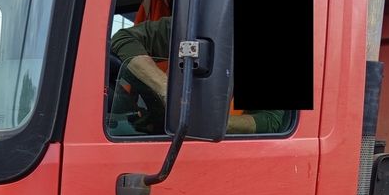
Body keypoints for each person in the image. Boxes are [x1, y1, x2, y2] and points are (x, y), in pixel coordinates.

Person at [110, 16, 284, 135]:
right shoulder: (193, 25)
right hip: (149, 133)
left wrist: (207, 120)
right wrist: (166, 89)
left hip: (222, 146)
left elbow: (271, 122)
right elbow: (123, 38)